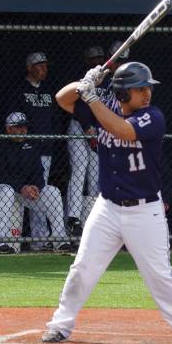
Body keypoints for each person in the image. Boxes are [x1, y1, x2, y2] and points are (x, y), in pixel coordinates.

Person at [42, 62, 172, 344]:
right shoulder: (102, 106)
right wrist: (84, 82)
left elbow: (121, 130)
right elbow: (62, 98)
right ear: (121, 93)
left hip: (145, 210)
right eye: (139, 89)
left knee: (159, 273)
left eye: (147, 88)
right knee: (83, 267)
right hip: (107, 208)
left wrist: (91, 97)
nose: (147, 93)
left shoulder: (153, 117)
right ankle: (60, 325)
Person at [0, 112, 72, 254]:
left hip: (23, 192)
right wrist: (22, 187)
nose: (23, 130)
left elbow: (38, 171)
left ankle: (60, 240)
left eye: (25, 127)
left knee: (53, 191)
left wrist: (36, 187)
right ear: (8, 129)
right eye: (18, 127)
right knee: (6, 191)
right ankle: (0, 243)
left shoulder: (31, 145)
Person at [8, 52, 58, 250]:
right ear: (30, 68)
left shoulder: (49, 90)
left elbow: (55, 118)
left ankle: (40, 240)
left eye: (46, 65)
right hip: (26, 150)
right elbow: (12, 117)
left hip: (45, 148)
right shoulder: (19, 90)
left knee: (40, 190)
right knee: (27, 192)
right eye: (40, 66)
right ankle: (37, 238)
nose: (44, 69)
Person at [65, 46, 103, 236]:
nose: (97, 62)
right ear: (87, 61)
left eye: (99, 59)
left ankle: (92, 216)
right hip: (78, 126)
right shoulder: (82, 80)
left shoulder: (108, 81)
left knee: (95, 171)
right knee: (80, 167)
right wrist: (87, 126)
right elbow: (77, 106)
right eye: (93, 59)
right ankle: (73, 217)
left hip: (98, 129)